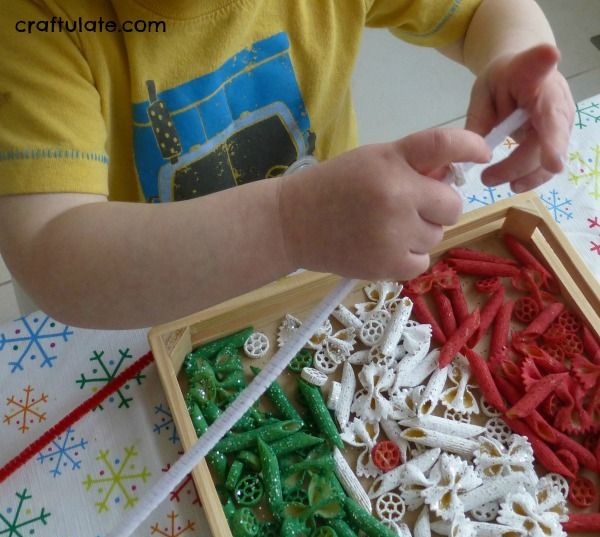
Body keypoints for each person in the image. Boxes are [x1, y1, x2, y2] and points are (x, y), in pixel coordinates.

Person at [0, 0, 574, 329]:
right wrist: (288, 223)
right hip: (132, 305)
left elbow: (480, 12)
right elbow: (55, 252)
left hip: (324, 254)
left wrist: (516, 57)